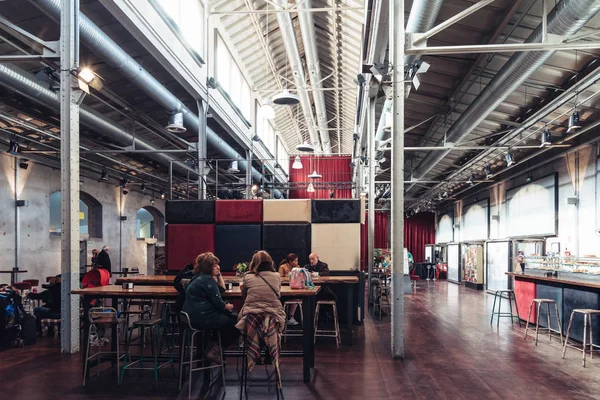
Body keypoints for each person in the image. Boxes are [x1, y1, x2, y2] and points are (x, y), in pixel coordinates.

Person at [236, 251, 286, 381]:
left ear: (254, 262)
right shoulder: (276, 276)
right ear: (270, 262)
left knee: (253, 319)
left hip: (251, 317)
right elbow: (278, 293)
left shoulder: (248, 277)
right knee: (269, 322)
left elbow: (244, 295)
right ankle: (270, 350)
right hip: (273, 315)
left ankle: (255, 351)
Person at [182, 252, 238, 363]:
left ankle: (208, 349)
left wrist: (218, 274)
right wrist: (228, 306)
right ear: (208, 267)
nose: (218, 267)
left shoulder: (198, 278)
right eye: (215, 265)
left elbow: (221, 290)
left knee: (230, 320)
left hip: (191, 317)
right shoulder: (208, 281)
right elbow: (219, 304)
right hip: (202, 318)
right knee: (238, 323)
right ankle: (213, 351)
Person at [278, 253, 300, 325]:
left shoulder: (298, 267)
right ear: (290, 261)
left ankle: (291, 317)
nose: (297, 262)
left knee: (297, 298)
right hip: (284, 289)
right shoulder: (282, 267)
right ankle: (286, 317)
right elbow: (280, 278)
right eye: (295, 261)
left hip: (294, 288)